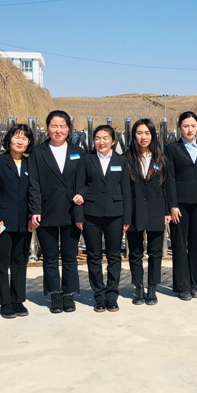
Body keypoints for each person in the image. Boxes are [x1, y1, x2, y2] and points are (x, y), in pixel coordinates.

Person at [28, 110, 85, 314]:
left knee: (70, 256)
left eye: (62, 126)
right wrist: (35, 209)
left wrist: (82, 196)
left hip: (71, 211)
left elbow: (85, 181)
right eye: (54, 126)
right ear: (47, 128)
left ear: (69, 129)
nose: (58, 130)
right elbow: (33, 183)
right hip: (47, 210)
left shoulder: (79, 152)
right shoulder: (38, 152)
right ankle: (54, 294)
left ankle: (69, 294)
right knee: (50, 256)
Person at [75, 125, 131, 312]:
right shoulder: (87, 159)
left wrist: (127, 218)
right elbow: (79, 187)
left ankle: (112, 295)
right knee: (94, 256)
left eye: (105, 138)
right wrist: (79, 215)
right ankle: (99, 295)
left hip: (116, 215)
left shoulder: (121, 161)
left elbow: (126, 190)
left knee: (114, 256)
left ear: (113, 141)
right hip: (91, 214)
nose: (101, 142)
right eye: (97, 138)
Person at [0, 123, 34, 319]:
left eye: (25, 138)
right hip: (1, 222)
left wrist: (32, 217)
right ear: (9, 139)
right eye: (17, 136)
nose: (20, 141)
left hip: (24, 223)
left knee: (20, 262)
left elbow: (33, 193)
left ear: (29, 143)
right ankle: (5, 301)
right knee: (1, 262)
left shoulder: (30, 164)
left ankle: (17, 299)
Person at [165, 111, 197, 301]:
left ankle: (195, 283)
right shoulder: (172, 149)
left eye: (193, 126)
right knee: (179, 244)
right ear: (179, 128)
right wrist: (172, 205)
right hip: (180, 205)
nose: (189, 130)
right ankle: (182, 285)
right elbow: (169, 178)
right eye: (185, 126)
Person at [125, 118, 170, 306]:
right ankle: (138, 288)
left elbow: (167, 187)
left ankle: (152, 288)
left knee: (155, 252)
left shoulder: (161, 159)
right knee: (135, 252)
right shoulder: (126, 159)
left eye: (147, 133)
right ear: (133, 135)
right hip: (134, 211)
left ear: (153, 135)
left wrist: (167, 210)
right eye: (139, 133)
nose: (143, 137)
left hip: (156, 210)